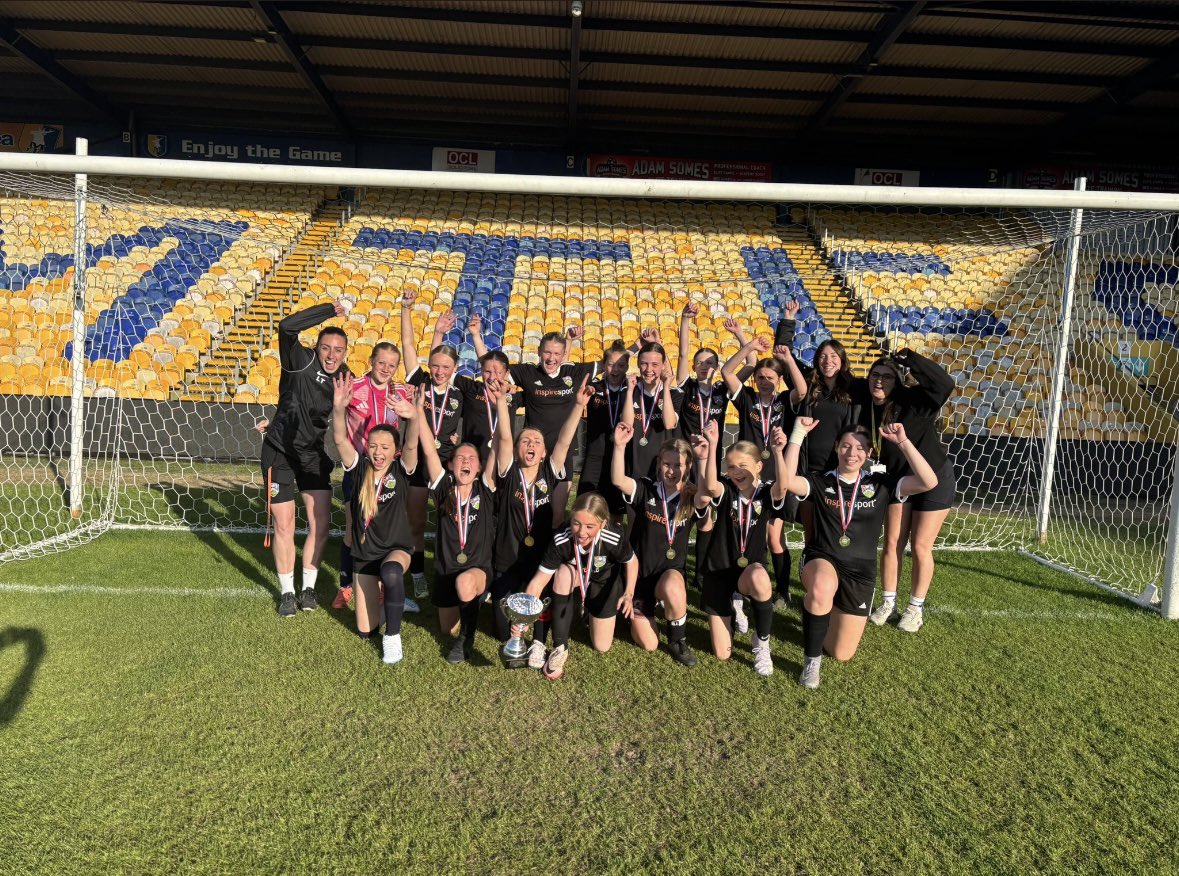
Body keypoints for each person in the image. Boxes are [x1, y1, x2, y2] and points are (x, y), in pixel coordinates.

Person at [777, 418, 938, 689]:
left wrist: (903, 443)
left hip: (860, 571)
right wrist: (797, 435)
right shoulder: (820, 480)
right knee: (821, 587)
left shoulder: (881, 484)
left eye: (860, 448)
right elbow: (785, 482)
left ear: (869, 453)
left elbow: (929, 481)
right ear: (836, 447)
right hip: (821, 557)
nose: (852, 453)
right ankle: (811, 661)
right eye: (846, 446)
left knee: (842, 653)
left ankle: (818, 615)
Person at [260, 299, 351, 617]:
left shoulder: (345, 379)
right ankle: (287, 592)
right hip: (280, 452)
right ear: (317, 347)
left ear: (345, 354)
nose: (331, 355)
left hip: (312, 456)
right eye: (326, 348)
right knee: (284, 525)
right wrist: (329, 309)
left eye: (338, 350)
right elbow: (286, 326)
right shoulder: (298, 358)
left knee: (321, 523)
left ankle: (308, 588)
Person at [489, 375, 588, 668]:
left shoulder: (550, 472)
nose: (531, 444)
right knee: (498, 628)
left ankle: (540, 640)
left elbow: (566, 439)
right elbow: (504, 438)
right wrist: (500, 404)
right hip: (507, 560)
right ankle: (521, 627)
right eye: (525, 441)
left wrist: (578, 405)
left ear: (544, 452)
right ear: (518, 449)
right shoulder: (508, 473)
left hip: (541, 562)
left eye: (537, 442)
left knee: (540, 604)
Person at [862, 350, 957, 633]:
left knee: (920, 546)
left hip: (933, 478)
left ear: (899, 380)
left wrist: (910, 359)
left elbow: (945, 383)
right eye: (875, 375)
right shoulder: (864, 405)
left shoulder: (916, 401)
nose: (879, 381)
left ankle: (915, 608)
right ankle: (888, 602)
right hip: (897, 480)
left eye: (887, 376)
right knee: (891, 543)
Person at [329, 373, 420, 665]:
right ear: (367, 446)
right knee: (365, 631)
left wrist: (413, 419)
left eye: (385, 447)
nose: (379, 452)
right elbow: (340, 438)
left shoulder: (401, 470)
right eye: (374, 446)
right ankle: (394, 601)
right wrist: (339, 408)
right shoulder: (358, 469)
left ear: (394, 452)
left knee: (392, 572)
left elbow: (412, 446)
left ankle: (392, 637)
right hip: (364, 555)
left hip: (396, 549)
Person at [471, 323, 599, 527]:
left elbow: (612, 364)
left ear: (564, 354)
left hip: (560, 456)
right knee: (522, 508)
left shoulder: (573, 373)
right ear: (538, 352)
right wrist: (476, 336)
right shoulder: (527, 373)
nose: (551, 358)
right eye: (547, 352)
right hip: (531, 456)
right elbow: (492, 367)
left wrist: (639, 345)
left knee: (556, 515)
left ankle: (549, 556)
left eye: (557, 353)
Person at [694, 420, 787, 676]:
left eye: (743, 466)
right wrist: (713, 444)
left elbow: (783, 487)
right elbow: (710, 486)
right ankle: (734, 610)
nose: (737, 471)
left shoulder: (766, 493)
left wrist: (779, 452)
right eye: (731, 466)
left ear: (759, 466)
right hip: (718, 572)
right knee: (722, 654)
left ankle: (762, 642)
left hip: (749, 571)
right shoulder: (725, 488)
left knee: (759, 577)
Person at [675, 305, 756, 597]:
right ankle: (678, 568)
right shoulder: (686, 388)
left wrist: (739, 335)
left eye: (711, 362)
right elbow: (682, 355)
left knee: (707, 516)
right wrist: (685, 321)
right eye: (701, 362)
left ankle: (701, 572)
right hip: (685, 461)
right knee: (682, 513)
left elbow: (752, 362)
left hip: (709, 464)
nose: (705, 366)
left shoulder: (723, 391)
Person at [414, 385, 498, 665]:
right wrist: (418, 411)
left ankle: (467, 640)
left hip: (476, 570)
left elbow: (502, 443)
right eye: (460, 458)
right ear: (450, 465)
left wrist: (501, 408)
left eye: (471, 458)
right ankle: (468, 611)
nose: (465, 461)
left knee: (465, 584)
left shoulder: (485, 489)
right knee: (445, 628)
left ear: (479, 468)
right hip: (445, 571)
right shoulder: (443, 488)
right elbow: (428, 448)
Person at [611, 423, 706, 666]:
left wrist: (704, 457)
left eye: (678, 465)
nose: (671, 470)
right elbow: (619, 480)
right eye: (667, 464)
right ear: (658, 465)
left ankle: (678, 640)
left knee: (674, 583)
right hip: (639, 578)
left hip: (669, 575)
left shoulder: (691, 496)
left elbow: (707, 494)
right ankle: (634, 609)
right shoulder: (646, 488)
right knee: (650, 644)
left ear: (688, 467)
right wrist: (620, 447)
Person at [335, 341, 419, 612]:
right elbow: (337, 420)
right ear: (371, 360)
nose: (386, 369)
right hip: (359, 468)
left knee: (386, 530)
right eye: (381, 362)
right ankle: (345, 586)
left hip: (390, 473)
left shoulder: (400, 391)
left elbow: (416, 419)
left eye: (392, 365)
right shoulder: (355, 386)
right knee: (353, 527)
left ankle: (385, 589)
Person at [721, 330, 796, 622]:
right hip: (747, 475)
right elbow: (727, 371)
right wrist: (748, 344)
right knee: (742, 530)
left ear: (779, 380)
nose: (765, 382)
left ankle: (783, 590)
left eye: (771, 378)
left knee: (774, 537)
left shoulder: (786, 402)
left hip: (774, 475)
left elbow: (801, 390)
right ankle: (739, 587)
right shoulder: (747, 398)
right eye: (760, 377)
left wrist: (786, 361)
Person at [524, 493, 638, 680]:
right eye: (576, 523)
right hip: (575, 574)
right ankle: (560, 647)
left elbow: (632, 562)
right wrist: (525, 616)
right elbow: (538, 581)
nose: (581, 532)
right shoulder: (562, 538)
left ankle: (587, 609)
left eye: (589, 526)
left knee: (602, 646)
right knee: (562, 573)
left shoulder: (613, 536)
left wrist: (628, 593)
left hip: (603, 580)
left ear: (602, 523)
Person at [401, 292, 465, 601]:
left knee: (447, 521)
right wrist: (406, 310)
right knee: (415, 521)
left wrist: (456, 442)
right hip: (416, 462)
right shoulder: (420, 383)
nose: (439, 371)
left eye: (445, 367)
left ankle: (445, 570)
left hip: (443, 466)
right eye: (435, 366)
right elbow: (409, 348)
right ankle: (416, 576)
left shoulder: (460, 393)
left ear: (455, 368)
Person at [576, 340, 633, 517]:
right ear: (603, 366)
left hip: (620, 455)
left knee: (615, 510)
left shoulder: (631, 389)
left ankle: (612, 543)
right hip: (595, 455)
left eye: (621, 365)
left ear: (627, 367)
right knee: (586, 504)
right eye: (610, 365)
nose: (615, 370)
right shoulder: (594, 388)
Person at [620, 340, 681, 484]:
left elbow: (669, 423)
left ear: (663, 365)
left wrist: (665, 388)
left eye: (655, 365)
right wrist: (629, 391)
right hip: (633, 462)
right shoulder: (628, 390)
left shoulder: (674, 394)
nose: (648, 369)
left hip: (663, 466)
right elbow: (627, 424)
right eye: (644, 363)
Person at [461, 314, 516, 465]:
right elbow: (440, 371)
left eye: (499, 373)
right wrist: (475, 336)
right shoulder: (472, 389)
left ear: (507, 374)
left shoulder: (514, 396)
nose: (492, 377)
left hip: (502, 462)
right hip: (472, 463)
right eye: (487, 372)